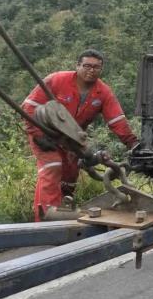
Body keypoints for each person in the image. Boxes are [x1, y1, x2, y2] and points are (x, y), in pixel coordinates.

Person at [22, 49, 138, 221]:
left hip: (72, 139)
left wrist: (133, 143)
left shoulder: (103, 92)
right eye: (87, 66)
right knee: (52, 167)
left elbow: (116, 120)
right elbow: (29, 106)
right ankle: (46, 219)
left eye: (96, 67)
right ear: (77, 66)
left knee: (69, 177)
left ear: (101, 69)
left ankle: (64, 211)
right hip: (44, 134)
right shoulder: (57, 80)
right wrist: (37, 134)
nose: (91, 70)